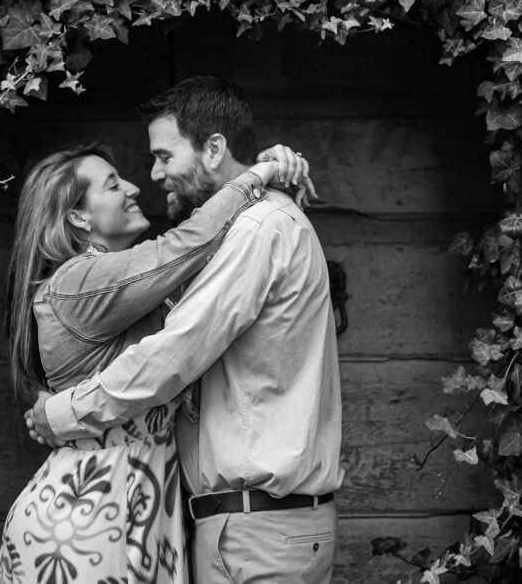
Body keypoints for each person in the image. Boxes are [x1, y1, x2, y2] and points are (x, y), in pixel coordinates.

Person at [29, 76, 345, 583]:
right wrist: (265, 172)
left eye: (164, 156)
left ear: (214, 148)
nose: (151, 176)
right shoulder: (252, 226)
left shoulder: (257, 229)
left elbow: (176, 352)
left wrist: (66, 411)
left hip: (254, 529)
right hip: (224, 525)